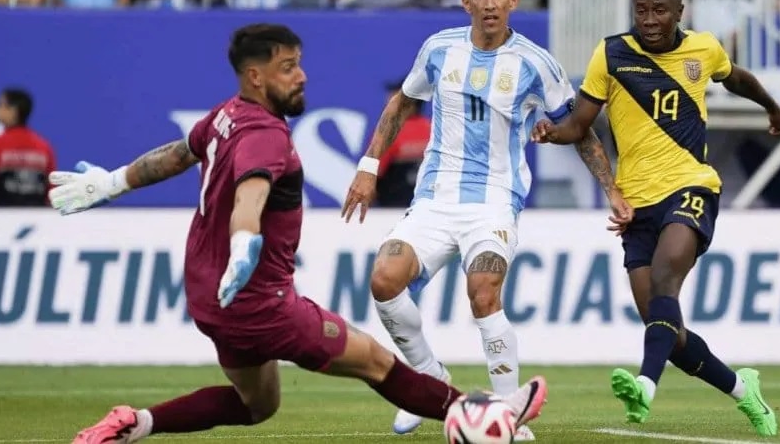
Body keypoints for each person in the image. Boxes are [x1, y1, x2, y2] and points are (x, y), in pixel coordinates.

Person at [48, 23, 546, 444]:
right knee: (377, 363)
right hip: (261, 306)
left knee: (256, 404)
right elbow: (250, 197)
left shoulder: (225, 115)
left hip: (210, 300)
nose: (302, 75)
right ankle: (487, 416)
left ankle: (134, 424)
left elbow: (177, 154)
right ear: (256, 76)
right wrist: (245, 243)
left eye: (299, 64)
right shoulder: (267, 135)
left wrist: (112, 182)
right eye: (288, 67)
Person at [341, 0, 630, 440]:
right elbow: (402, 103)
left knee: (483, 291)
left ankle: (508, 412)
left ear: (513, 1)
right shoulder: (439, 49)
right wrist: (368, 167)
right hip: (434, 199)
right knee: (383, 280)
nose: (490, 3)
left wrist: (610, 189)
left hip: (495, 201)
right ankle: (428, 378)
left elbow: (578, 127)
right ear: (466, 2)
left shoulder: (536, 63)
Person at [531, 0, 780, 437]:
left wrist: (772, 108)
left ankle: (644, 387)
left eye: (659, 10)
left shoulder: (703, 48)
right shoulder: (611, 53)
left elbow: (737, 78)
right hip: (636, 205)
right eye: (641, 10)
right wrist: (552, 133)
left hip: (691, 187)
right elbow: (579, 125)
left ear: (679, 12)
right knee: (668, 332)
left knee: (664, 283)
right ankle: (744, 390)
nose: (649, 20)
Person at [0, 88, 56, 207]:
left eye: (1, 105)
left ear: (13, 111)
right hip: (37, 216)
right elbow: (52, 193)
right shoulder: (44, 147)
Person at [375, 76, 431, 207]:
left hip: (393, 209)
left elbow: (373, 174)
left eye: (395, 96)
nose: (388, 100)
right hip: (427, 207)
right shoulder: (434, 129)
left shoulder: (388, 132)